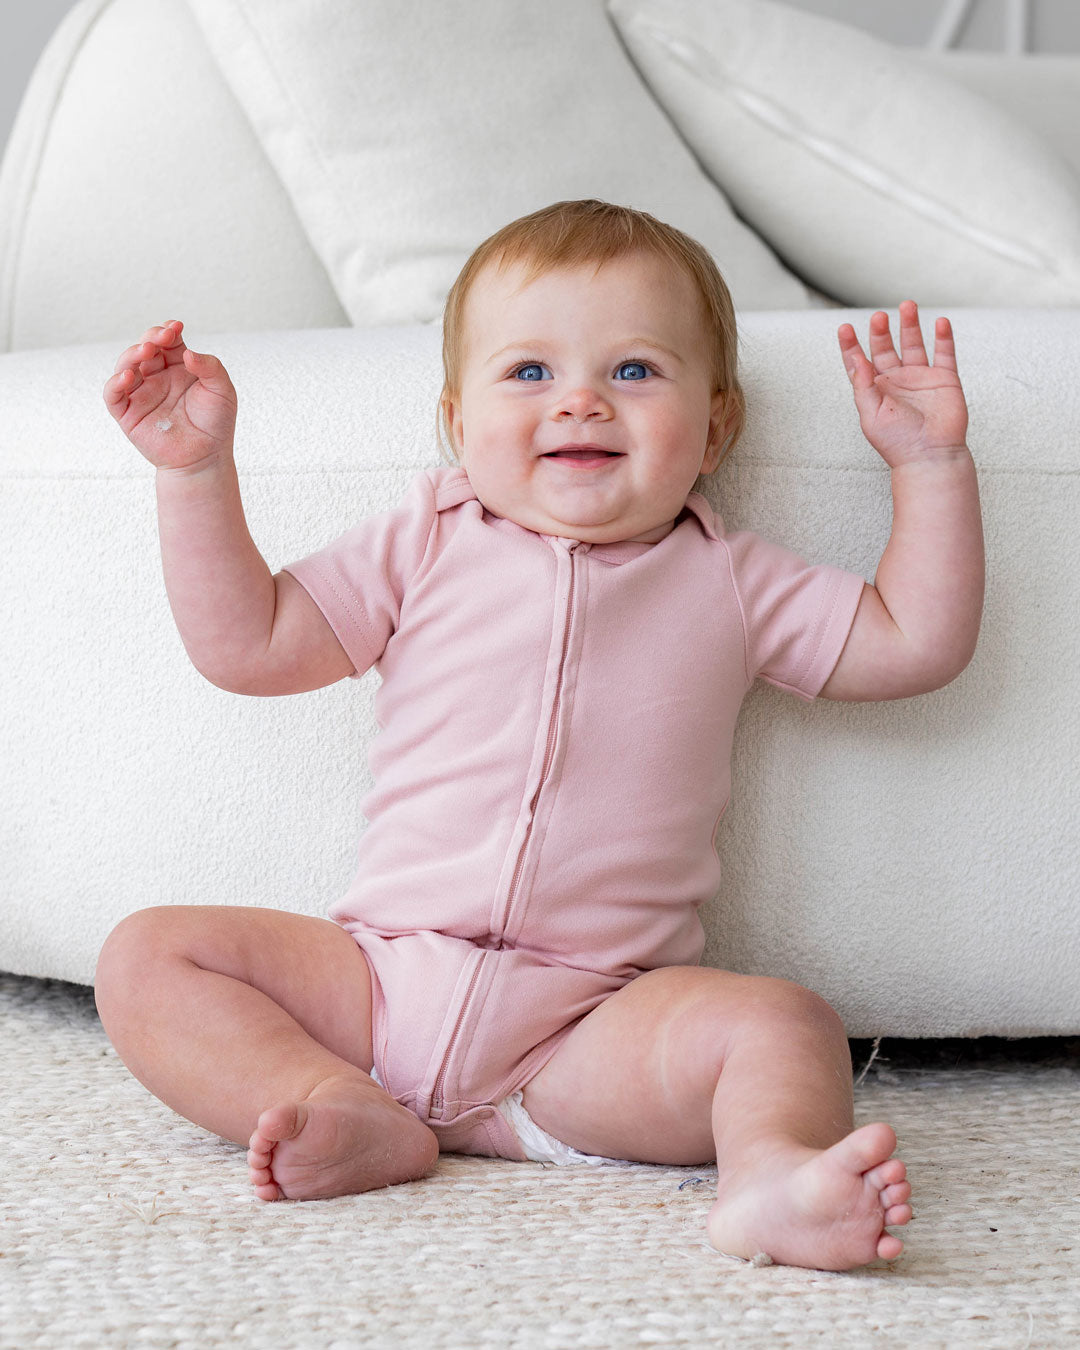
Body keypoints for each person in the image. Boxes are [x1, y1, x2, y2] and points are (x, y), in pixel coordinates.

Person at [95, 199, 983, 1272]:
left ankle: (767, 1181)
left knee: (786, 1023)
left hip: (594, 1022)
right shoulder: (422, 545)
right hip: (381, 984)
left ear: (717, 426)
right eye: (529, 374)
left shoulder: (731, 580)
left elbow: (911, 641)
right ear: (459, 422)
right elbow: (253, 643)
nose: (580, 401)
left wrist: (928, 468)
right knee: (149, 956)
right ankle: (329, 1103)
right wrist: (194, 476)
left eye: (635, 372)